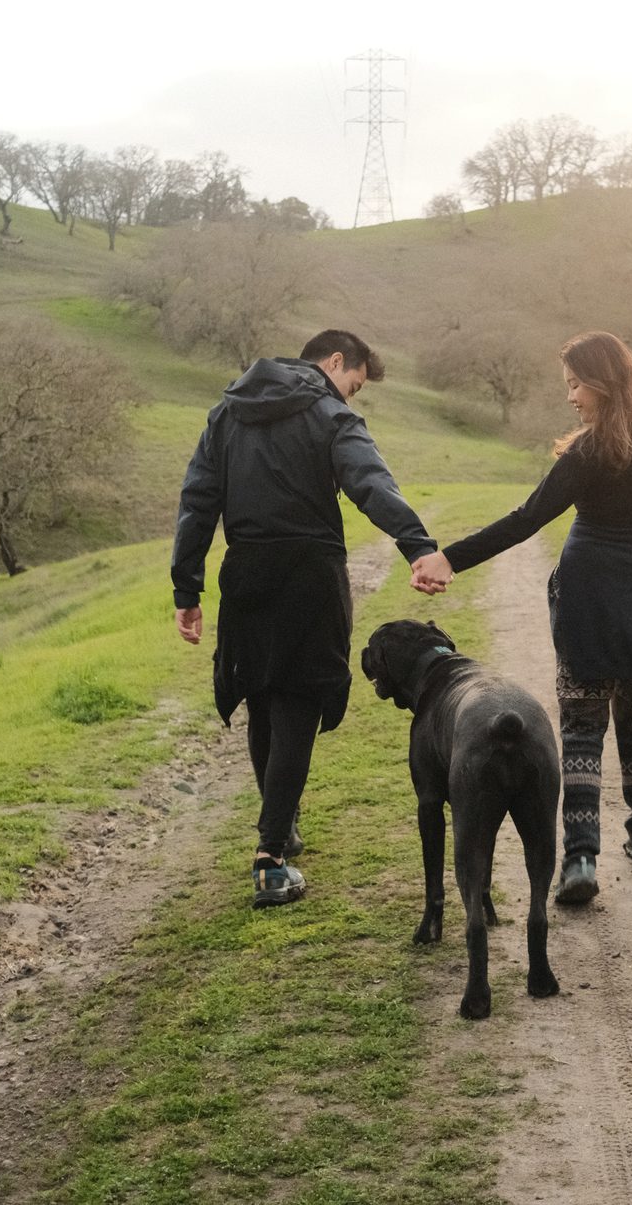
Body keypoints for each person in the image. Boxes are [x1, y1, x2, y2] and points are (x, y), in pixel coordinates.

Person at [411, 330, 632, 906]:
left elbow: (526, 519)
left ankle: (580, 857)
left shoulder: (586, 451)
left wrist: (448, 559)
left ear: (602, 383)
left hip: (588, 601)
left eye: (576, 385)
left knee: (581, 727)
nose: (571, 397)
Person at [172, 328, 439, 908]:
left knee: (262, 697)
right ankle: (270, 857)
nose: (351, 398)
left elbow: (198, 501)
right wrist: (417, 545)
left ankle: (281, 824)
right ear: (335, 361)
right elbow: (370, 483)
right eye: (354, 385)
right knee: (298, 703)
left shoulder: (228, 412)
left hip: (245, 572)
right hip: (311, 575)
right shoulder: (328, 414)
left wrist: (185, 587)